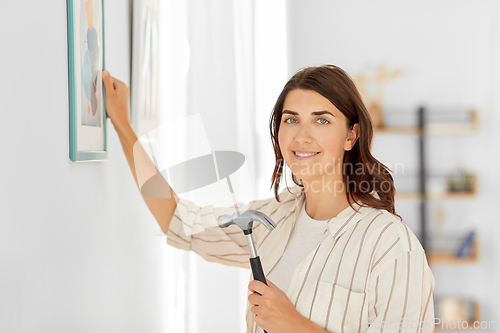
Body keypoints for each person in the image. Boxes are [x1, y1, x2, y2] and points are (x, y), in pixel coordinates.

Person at [102, 64, 435, 333]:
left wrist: (295, 326)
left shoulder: (391, 245)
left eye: (322, 120)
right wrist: (121, 123)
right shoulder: (273, 217)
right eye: (291, 120)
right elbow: (179, 220)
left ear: (351, 135)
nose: (302, 136)